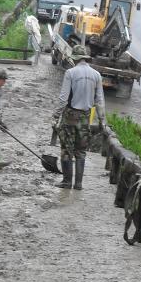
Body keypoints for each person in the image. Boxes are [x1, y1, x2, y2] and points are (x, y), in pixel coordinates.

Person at [53, 44, 105, 189]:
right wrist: (102, 120)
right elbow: (99, 100)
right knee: (81, 151)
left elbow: (63, 98)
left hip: (70, 116)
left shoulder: (70, 73)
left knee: (66, 149)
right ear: (86, 59)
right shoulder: (96, 75)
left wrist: (56, 115)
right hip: (85, 117)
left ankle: (67, 181)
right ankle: (79, 184)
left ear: (75, 59)